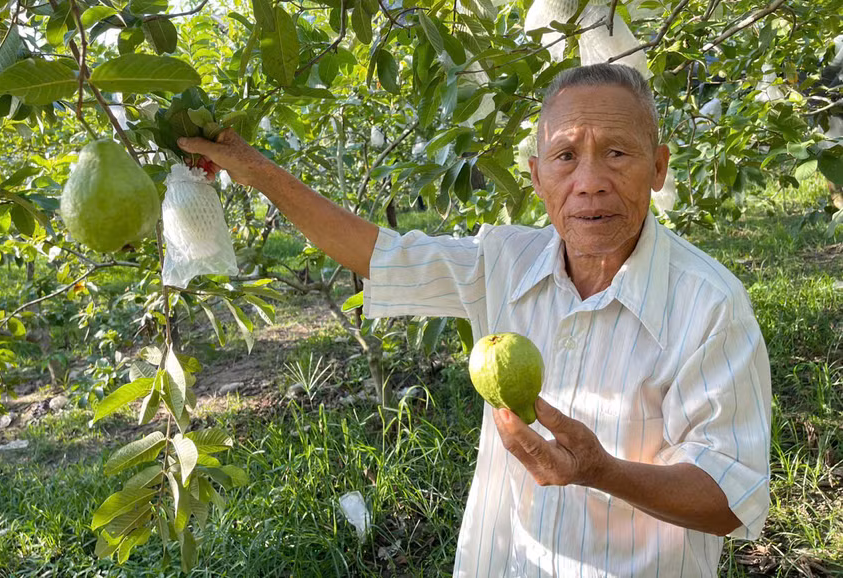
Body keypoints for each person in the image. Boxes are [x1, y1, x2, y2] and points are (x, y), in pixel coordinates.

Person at [177, 63, 771, 577]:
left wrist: (602, 472)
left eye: (617, 153)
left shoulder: (709, 305)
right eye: (566, 156)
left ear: (659, 169)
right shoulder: (504, 263)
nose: (589, 181)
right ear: (537, 177)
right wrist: (253, 169)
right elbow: (377, 254)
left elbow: (730, 495)